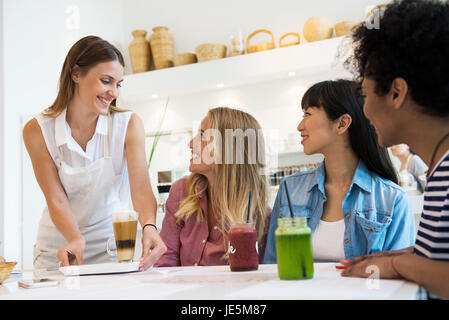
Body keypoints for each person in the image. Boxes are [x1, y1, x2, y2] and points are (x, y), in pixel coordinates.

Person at [23, 36, 166, 271]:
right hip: (59, 248)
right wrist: (75, 238)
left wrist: (150, 226)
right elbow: (56, 198)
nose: (114, 93)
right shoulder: (37, 130)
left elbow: (140, 189)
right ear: (76, 74)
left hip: (110, 248)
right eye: (106, 81)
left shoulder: (127, 125)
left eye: (118, 84)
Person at [339, 0, 449, 299]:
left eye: (364, 93)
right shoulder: (439, 168)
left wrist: (399, 264)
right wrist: (395, 257)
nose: (365, 108)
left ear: (397, 93)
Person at [264, 79, 416, 264]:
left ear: (342, 123)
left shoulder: (392, 199)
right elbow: (272, 267)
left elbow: (397, 277)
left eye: (307, 114)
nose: (299, 126)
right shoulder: (290, 189)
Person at [154, 107, 271, 267]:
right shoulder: (181, 191)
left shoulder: (261, 216)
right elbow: (165, 261)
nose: (190, 143)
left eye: (202, 135)